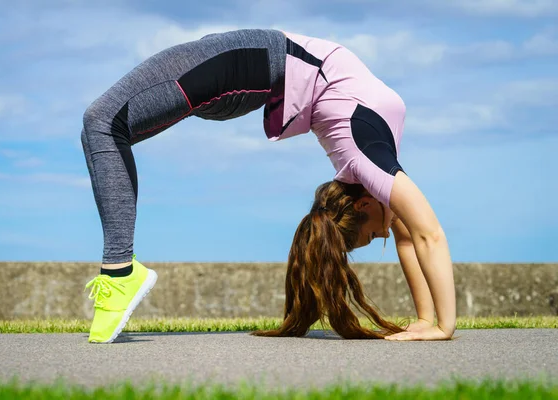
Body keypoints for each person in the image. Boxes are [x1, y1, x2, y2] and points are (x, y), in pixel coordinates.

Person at [81, 29, 456, 344]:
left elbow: (410, 237)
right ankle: (120, 272)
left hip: (253, 72)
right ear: (362, 207)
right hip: (254, 62)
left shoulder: (368, 168)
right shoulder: (367, 163)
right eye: (375, 235)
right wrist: (442, 325)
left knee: (103, 123)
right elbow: (427, 236)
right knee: (102, 123)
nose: (387, 232)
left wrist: (427, 321)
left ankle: (118, 271)